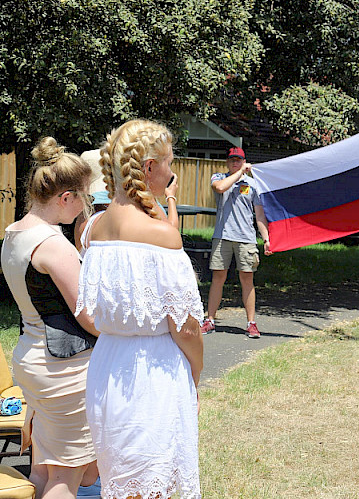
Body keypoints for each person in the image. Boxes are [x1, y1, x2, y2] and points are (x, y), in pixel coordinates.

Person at [74, 119, 204, 499]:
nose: (172, 170)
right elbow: (186, 327)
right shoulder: (162, 236)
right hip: (152, 371)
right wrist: (194, 375)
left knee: (121, 481)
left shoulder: (93, 229)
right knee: (152, 487)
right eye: (168, 161)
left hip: (109, 365)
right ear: (149, 168)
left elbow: (94, 313)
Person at [1, 137, 100, 498]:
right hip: (64, 370)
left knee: (44, 471)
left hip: (32, 359)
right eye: (84, 197)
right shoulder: (53, 244)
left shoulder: (14, 234)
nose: (84, 206)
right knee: (67, 479)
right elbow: (88, 315)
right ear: (65, 198)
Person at [201, 146, 271, 338]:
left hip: (246, 238)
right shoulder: (218, 177)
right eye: (232, 160)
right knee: (218, 277)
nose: (235, 162)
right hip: (222, 236)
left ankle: (251, 323)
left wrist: (265, 238)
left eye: (238, 160)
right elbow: (220, 188)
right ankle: (210, 320)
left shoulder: (253, 185)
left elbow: (259, 215)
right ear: (227, 162)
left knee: (247, 279)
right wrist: (239, 173)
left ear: (244, 160)